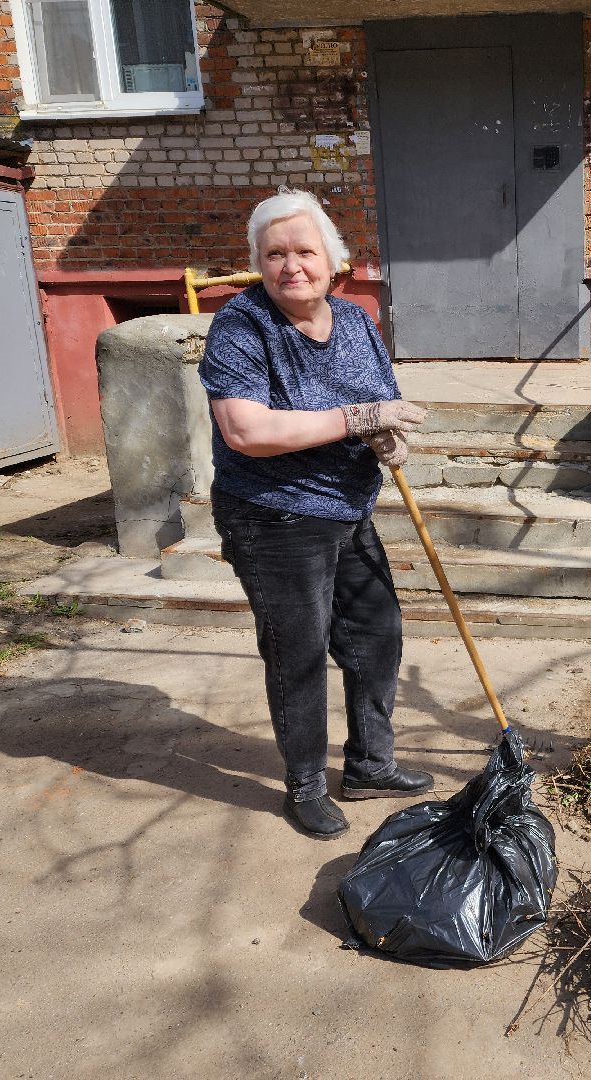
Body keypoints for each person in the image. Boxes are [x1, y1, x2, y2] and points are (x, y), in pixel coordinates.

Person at [199, 187, 433, 839]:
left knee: (377, 634)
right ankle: (303, 785)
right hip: (271, 516)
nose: (290, 265)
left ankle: (369, 765)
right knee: (297, 651)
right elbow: (246, 430)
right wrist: (354, 419)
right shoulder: (242, 325)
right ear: (258, 263)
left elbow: (383, 396)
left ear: (333, 260)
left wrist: (390, 433)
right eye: (274, 254)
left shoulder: (356, 320)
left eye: (304, 250)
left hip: (348, 508)